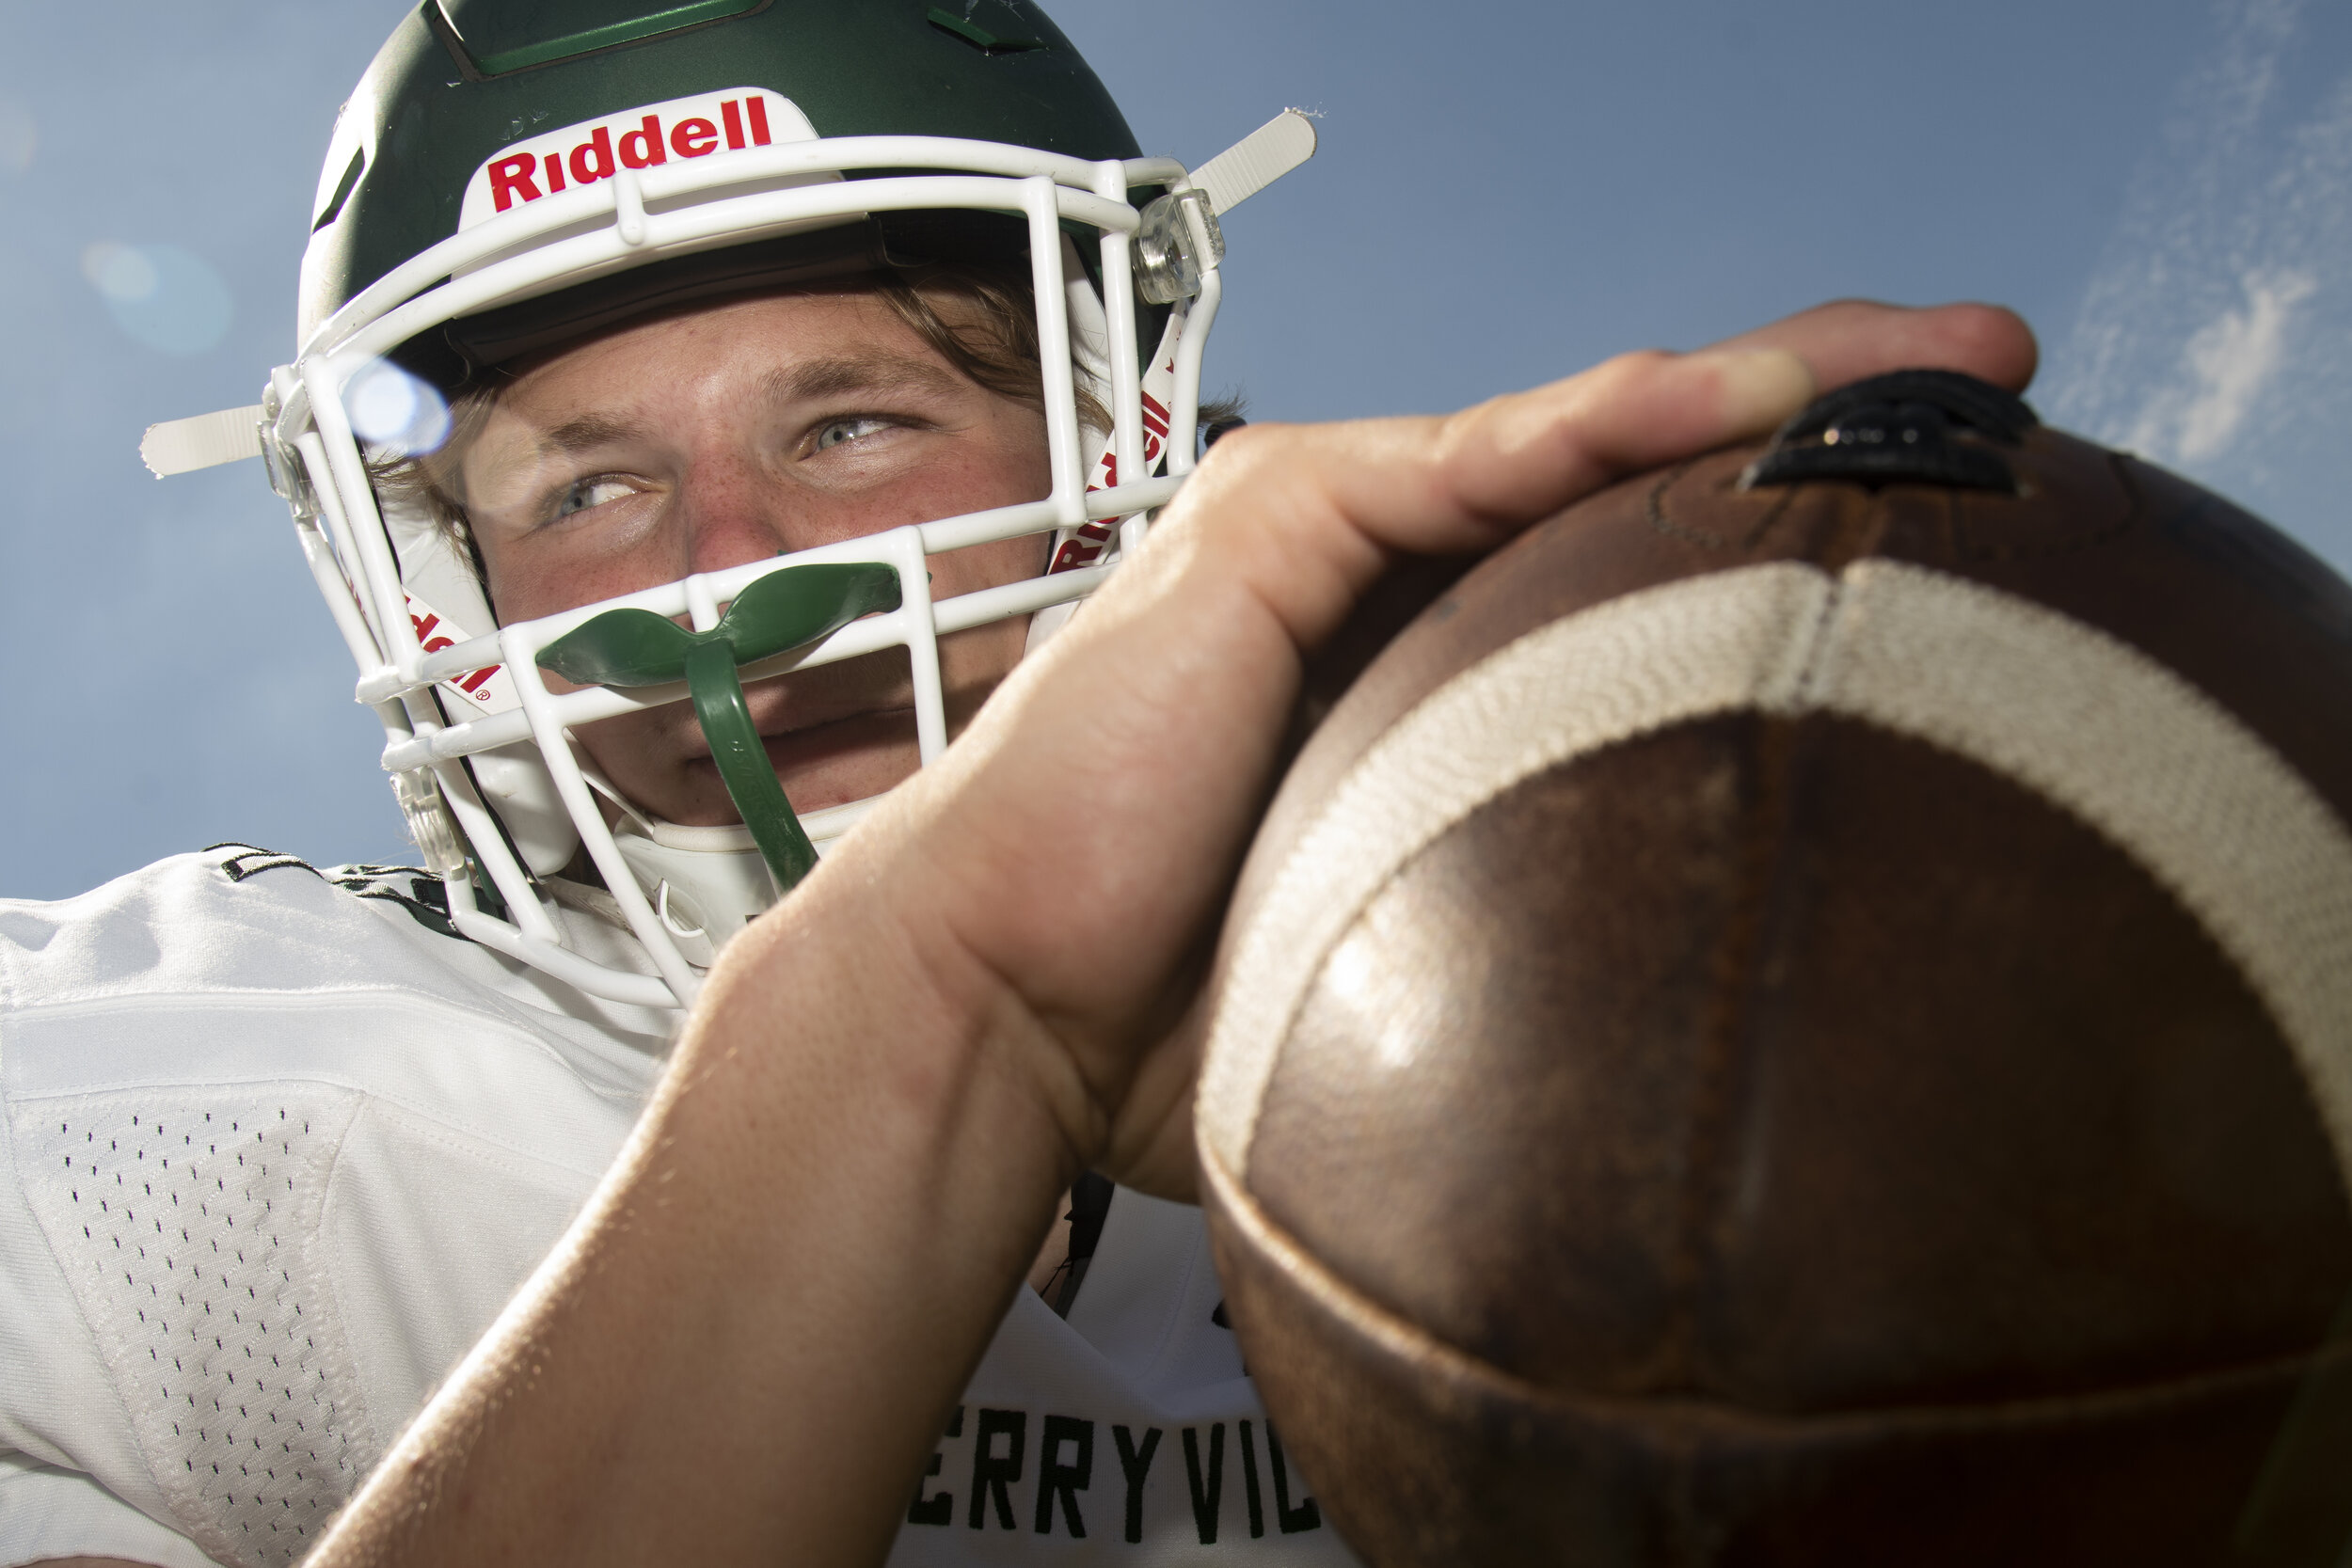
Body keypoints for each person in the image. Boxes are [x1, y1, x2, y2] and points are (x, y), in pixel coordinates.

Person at [0, 4, 2037, 1566]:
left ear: (1119, 431)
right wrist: (926, 1007)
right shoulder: (173, 1111)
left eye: (859, 421)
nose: (733, 562)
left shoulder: (1542, 973)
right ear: (446, 582)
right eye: (591, 483)